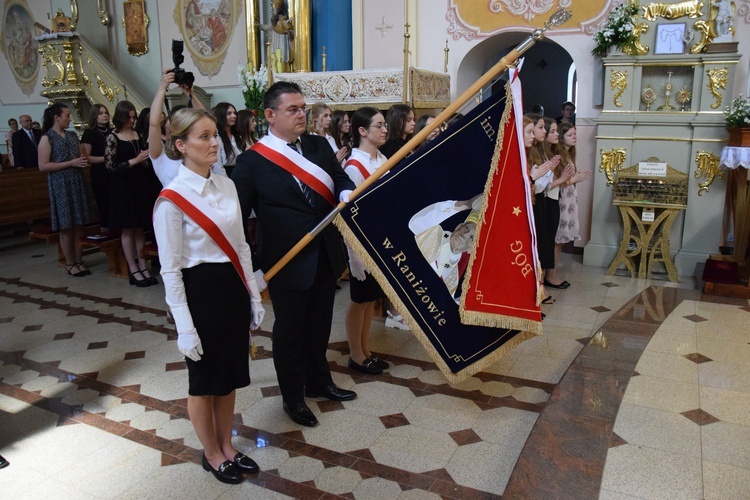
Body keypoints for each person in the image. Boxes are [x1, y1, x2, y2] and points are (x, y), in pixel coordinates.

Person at [232, 81, 357, 428]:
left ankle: (319, 382)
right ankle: (293, 397)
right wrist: (253, 268)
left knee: (319, 325)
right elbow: (238, 219)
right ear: (270, 115)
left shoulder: (318, 146)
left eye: (303, 107)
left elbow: (339, 177)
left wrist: (346, 191)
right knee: (289, 332)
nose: (301, 114)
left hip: (324, 254)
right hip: (284, 262)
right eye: (293, 109)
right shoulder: (252, 161)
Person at [153, 107, 264, 485]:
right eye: (204, 137)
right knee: (204, 380)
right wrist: (184, 326)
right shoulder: (172, 199)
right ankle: (211, 453)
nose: (214, 142)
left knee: (229, 375)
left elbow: (242, 247)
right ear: (180, 145)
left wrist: (253, 297)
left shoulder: (226, 184)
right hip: (199, 294)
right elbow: (170, 270)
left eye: (215, 134)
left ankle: (228, 444)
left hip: (231, 287)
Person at [342, 107, 390, 374]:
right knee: (359, 299)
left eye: (385, 125)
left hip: (380, 239)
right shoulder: (354, 166)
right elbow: (350, 215)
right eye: (379, 125)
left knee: (370, 299)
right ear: (362, 131)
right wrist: (356, 256)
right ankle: (356, 354)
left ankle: (366, 350)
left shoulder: (381, 158)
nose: (385, 130)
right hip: (362, 243)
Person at [38, 102, 95, 277]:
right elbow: (43, 165)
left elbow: (78, 156)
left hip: (76, 181)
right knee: (66, 225)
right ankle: (70, 263)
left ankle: (79, 260)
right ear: (56, 118)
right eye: (67, 116)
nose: (70, 119)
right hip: (60, 183)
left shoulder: (71, 136)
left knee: (78, 224)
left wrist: (81, 161)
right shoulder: (47, 138)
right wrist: (71, 163)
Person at [105, 101, 157, 287]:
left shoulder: (136, 134)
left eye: (134, 117)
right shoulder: (113, 137)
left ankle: (143, 266)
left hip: (138, 185)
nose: (132, 121)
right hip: (122, 187)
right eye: (129, 117)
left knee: (139, 228)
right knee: (128, 228)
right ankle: (133, 269)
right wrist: (134, 161)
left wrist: (144, 159)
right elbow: (110, 167)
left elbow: (144, 158)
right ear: (121, 117)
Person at [379, 103, 416, 329]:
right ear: (399, 121)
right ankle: (392, 312)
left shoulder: (405, 144)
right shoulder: (392, 146)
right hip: (396, 208)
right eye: (409, 119)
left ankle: (401, 308)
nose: (413, 123)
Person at [408, 196, 482, 302]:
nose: (465, 236)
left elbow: (448, 302)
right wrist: (464, 204)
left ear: (472, 248)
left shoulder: (459, 271)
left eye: (472, 238)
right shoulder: (435, 236)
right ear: (458, 227)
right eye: (466, 228)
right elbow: (415, 223)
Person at [148, 69, 205, 189]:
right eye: (173, 122)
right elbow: (153, 123)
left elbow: (205, 121)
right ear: (163, 135)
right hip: (175, 204)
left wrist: (191, 95)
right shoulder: (160, 155)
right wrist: (162, 89)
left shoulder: (192, 149)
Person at [554, 123, 592, 270]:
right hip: (561, 200)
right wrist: (574, 179)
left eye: (574, 133)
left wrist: (575, 177)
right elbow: (558, 182)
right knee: (557, 240)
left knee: (560, 242)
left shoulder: (569, 154)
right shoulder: (558, 155)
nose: (574, 137)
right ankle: (550, 276)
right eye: (570, 135)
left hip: (569, 199)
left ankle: (553, 274)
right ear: (561, 138)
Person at [80, 104, 112, 230]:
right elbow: (86, 157)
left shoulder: (111, 132)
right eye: (100, 113)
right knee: (104, 204)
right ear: (94, 116)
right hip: (100, 173)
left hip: (112, 172)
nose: (104, 115)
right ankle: (106, 232)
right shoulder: (89, 133)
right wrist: (107, 158)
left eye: (106, 112)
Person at [211, 102, 241, 177]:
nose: (234, 116)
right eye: (229, 113)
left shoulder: (236, 135)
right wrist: (227, 183)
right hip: (225, 174)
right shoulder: (217, 136)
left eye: (234, 113)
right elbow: (217, 166)